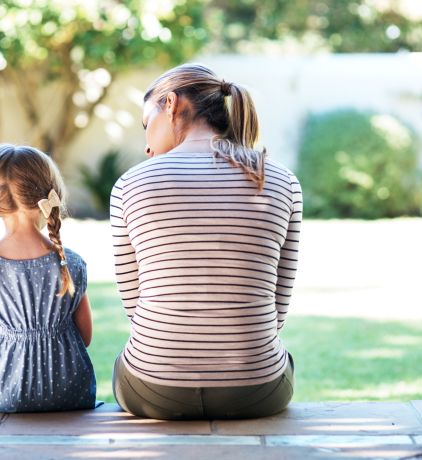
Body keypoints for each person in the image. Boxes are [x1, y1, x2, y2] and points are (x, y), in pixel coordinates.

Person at [109, 64, 303, 419]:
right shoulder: (281, 180)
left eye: (145, 124)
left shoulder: (130, 184)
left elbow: (135, 307)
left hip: (153, 390)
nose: (147, 145)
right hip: (257, 390)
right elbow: (277, 307)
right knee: (282, 358)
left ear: (170, 104)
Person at [0, 144, 96, 413]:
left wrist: (3, 333)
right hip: (68, 391)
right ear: (50, 195)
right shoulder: (71, 264)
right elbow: (84, 336)